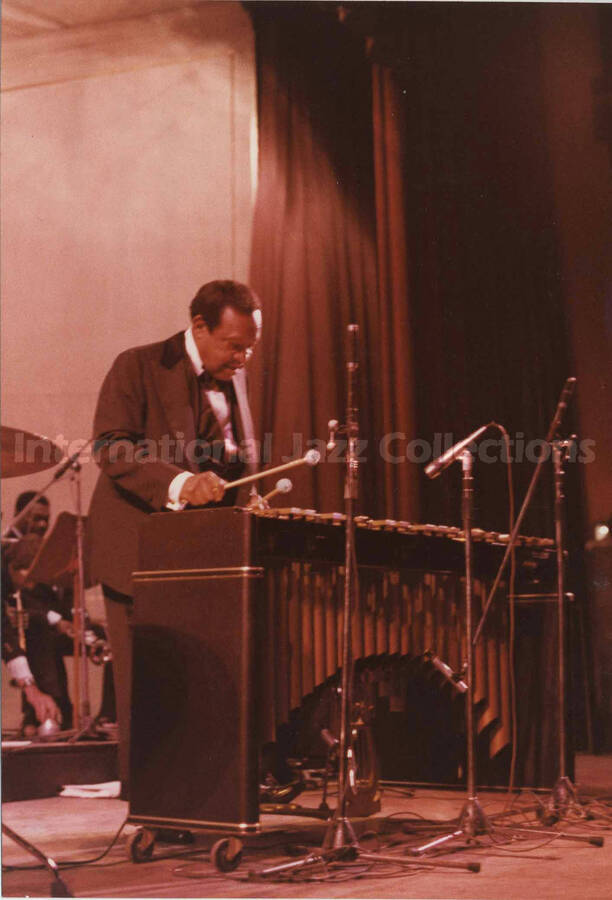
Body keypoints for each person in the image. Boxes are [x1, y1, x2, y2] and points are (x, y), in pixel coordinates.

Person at [87, 279, 261, 794]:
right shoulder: (136, 365)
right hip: (137, 550)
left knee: (196, 682)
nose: (243, 357)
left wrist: (244, 499)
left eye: (250, 347)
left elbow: (227, 463)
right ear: (200, 327)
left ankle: (198, 796)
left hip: (199, 554)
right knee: (145, 687)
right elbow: (112, 448)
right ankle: (151, 803)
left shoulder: (231, 381)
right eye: (235, 345)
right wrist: (181, 484)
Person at [2, 494, 74, 733]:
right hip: (32, 624)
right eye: (36, 518)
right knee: (39, 629)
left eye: (46, 519)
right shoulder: (14, 551)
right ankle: (45, 712)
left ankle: (107, 715)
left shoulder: (52, 548)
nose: (43, 525)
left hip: (50, 624)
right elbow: (21, 601)